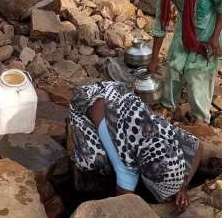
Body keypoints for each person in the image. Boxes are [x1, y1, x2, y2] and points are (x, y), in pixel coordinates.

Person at [69, 81, 202, 210]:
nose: (169, 198)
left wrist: (183, 186)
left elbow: (198, 147)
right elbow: (122, 205)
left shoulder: (168, 135)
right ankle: (76, 170)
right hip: (87, 102)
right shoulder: (126, 169)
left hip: (118, 100)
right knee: (95, 162)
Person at [148, 0, 222, 125]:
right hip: (185, 30)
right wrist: (154, 58)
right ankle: (167, 106)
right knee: (173, 65)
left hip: (211, 30)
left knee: (197, 73)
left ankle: (200, 117)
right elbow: (160, 24)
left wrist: (215, 38)